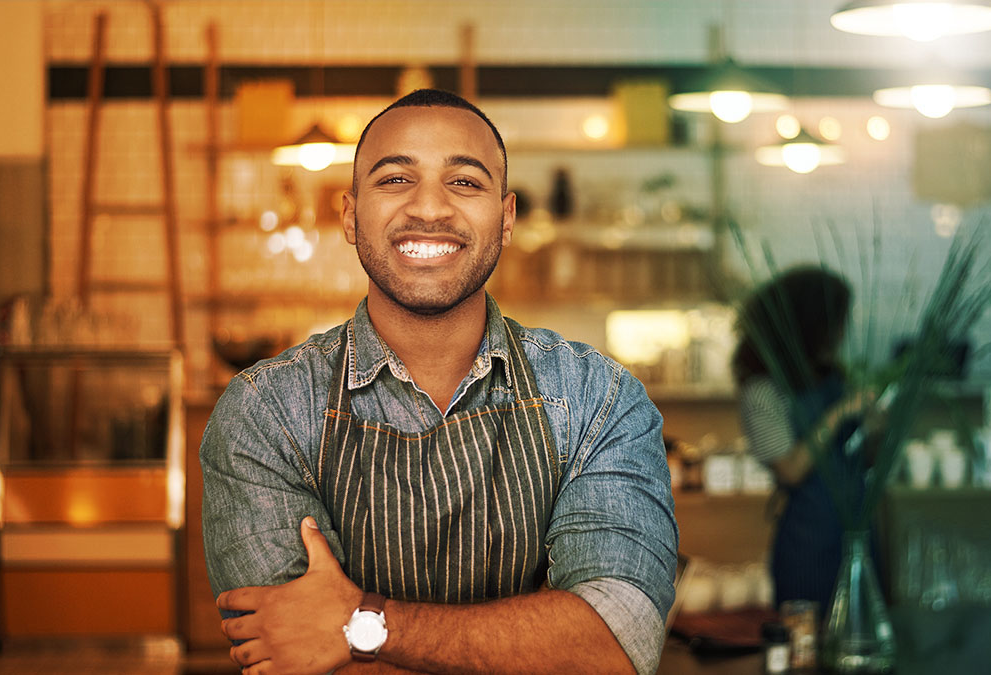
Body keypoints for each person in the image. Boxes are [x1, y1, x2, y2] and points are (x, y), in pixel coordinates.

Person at [201, 88, 677, 675]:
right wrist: (538, 644)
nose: (429, 208)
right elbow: (291, 650)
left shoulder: (597, 400)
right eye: (396, 179)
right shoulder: (264, 413)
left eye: (465, 182)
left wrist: (361, 623)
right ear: (351, 216)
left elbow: (613, 648)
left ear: (505, 219)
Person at [733, 266, 875, 615]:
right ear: (812, 325)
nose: (843, 332)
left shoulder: (834, 377)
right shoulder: (763, 390)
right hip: (809, 544)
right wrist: (840, 413)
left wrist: (875, 424)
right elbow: (790, 469)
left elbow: (865, 459)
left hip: (858, 535)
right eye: (838, 321)